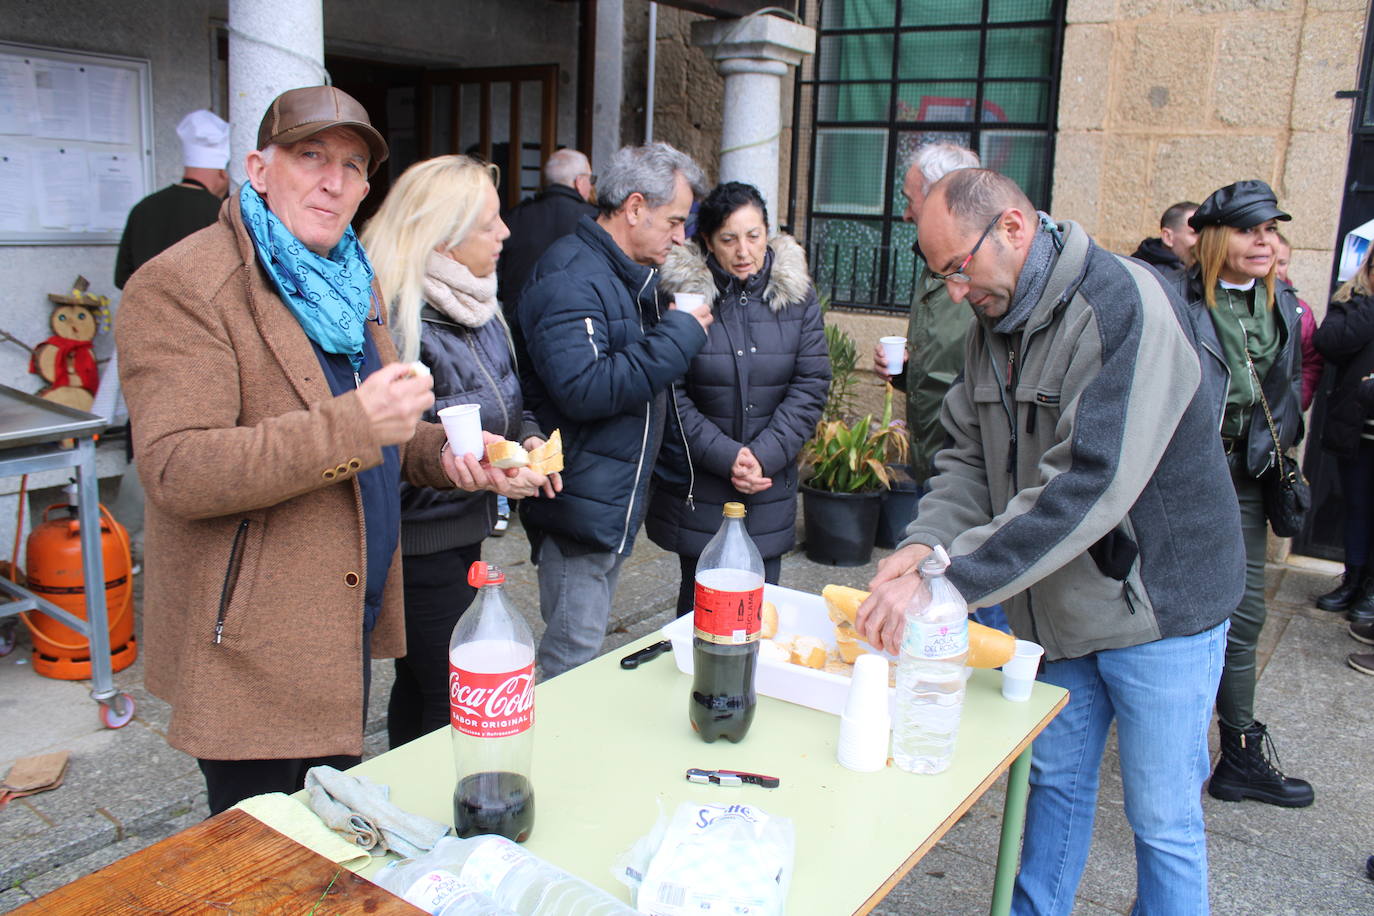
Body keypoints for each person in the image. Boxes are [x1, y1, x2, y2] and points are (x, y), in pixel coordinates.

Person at [854, 168, 1244, 915]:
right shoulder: (989, 325)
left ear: (1012, 226)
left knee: (1162, 821)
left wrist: (947, 576)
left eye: (958, 270)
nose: (958, 294)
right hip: (1056, 608)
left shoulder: (1123, 304)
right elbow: (967, 458)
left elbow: (1088, 483)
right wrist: (924, 541)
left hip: (1161, 608)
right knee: (1053, 791)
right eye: (942, 279)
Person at [117, 86, 484, 814]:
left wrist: (443, 453)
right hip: (251, 640)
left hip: (339, 618)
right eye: (309, 155)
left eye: (352, 166)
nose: (333, 181)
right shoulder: (185, 285)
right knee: (259, 853)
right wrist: (355, 422)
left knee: (327, 839)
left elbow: (380, 429)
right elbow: (177, 468)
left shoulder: (350, 279)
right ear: (257, 168)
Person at [360, 155, 560, 748]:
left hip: (462, 535)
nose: (505, 233)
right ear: (443, 238)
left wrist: (520, 444)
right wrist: (487, 469)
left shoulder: (480, 304)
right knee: (445, 701)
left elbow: (506, 404)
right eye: (489, 223)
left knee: (427, 687)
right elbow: (380, 450)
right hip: (416, 548)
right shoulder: (394, 317)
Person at [517, 142, 711, 677]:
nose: (681, 236)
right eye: (674, 221)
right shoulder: (571, 275)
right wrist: (680, 333)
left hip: (606, 500)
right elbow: (585, 387)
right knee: (570, 657)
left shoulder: (625, 274)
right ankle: (545, 752)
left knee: (581, 646)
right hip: (578, 506)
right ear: (632, 208)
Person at [1175, 180, 1312, 808]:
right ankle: (1163, 729)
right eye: (1250, 229)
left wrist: (1285, 449)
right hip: (1187, 477)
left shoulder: (1279, 300)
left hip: (1250, 477)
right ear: (1213, 238)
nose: (1265, 242)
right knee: (1171, 605)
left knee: (1247, 611)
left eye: (1272, 230)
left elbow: (1282, 388)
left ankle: (1240, 754)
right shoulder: (1177, 301)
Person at [649, 181, 830, 616]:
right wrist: (728, 456)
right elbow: (670, 390)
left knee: (757, 614)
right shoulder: (681, 299)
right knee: (700, 613)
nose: (744, 251)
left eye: (754, 235)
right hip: (703, 483)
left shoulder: (797, 296)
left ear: (769, 231)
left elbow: (810, 383)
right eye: (729, 239)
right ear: (708, 242)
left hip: (769, 484)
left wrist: (763, 455)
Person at [870, 143, 1008, 632]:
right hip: (940, 451)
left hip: (975, 467)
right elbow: (948, 361)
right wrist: (907, 370)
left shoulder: (989, 277)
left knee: (982, 603)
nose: (905, 210)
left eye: (911, 197)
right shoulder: (938, 257)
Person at [1313, 244, 1374, 648]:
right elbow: (1329, 342)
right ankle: (1352, 580)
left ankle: (1371, 590)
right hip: (1358, 428)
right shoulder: (1352, 303)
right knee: (1358, 509)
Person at [115, 109, 231, 288]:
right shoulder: (221, 213)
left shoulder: (143, 208)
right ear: (223, 173)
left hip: (145, 312)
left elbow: (122, 278)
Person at [497, 148, 598, 321]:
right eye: (591, 179)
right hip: (577, 325)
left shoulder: (514, 218)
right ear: (579, 182)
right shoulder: (595, 220)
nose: (592, 185)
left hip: (518, 329)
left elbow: (498, 278)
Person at [1273, 232, 1322, 410]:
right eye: (1271, 260)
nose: (1276, 269)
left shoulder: (1301, 311)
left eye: (1282, 263)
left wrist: (1296, 403)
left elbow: (1310, 363)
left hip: (1280, 412)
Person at [1130, 200, 1200, 278]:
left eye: (1205, 235)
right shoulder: (1158, 278)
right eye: (1196, 233)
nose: (1204, 241)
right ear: (1168, 237)